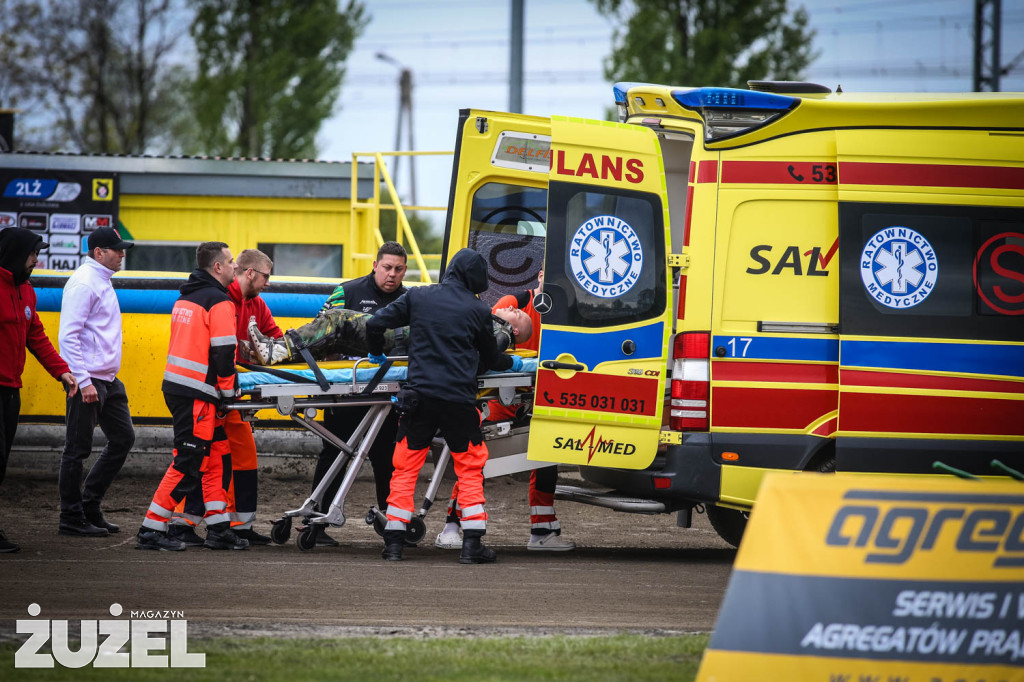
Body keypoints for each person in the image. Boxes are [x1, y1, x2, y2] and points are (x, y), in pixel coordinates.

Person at [367, 248, 523, 563]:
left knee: (406, 467)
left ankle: (394, 543)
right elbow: (491, 358)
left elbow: (374, 324)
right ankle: (472, 544)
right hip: (458, 401)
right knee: (469, 467)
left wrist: (376, 354)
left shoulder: (418, 297)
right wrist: (513, 360)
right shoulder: (478, 310)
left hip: (419, 397)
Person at [435, 271, 576, 552]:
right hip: (500, 398)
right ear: (540, 274)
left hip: (538, 397)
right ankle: (452, 524)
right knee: (477, 461)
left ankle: (542, 530)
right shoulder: (516, 303)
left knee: (547, 458)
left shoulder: (567, 313)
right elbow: (490, 333)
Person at [136, 242, 248, 551]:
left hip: (181, 390)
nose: (235, 266)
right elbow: (224, 355)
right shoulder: (220, 303)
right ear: (218, 267)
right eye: (230, 261)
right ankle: (151, 528)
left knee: (213, 459)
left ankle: (218, 527)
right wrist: (228, 394)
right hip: (198, 396)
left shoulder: (186, 298)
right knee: (188, 462)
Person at [167, 248, 283, 547]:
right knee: (202, 458)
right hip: (211, 393)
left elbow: (275, 339)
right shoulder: (220, 300)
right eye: (266, 277)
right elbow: (218, 351)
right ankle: (182, 523)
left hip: (229, 394)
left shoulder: (255, 304)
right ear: (250, 273)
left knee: (243, 455)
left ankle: (238, 525)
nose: (268, 283)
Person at [296, 241, 409, 547]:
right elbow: (320, 333)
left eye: (398, 269)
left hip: (387, 396)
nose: (392, 274)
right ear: (375, 265)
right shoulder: (347, 292)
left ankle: (393, 524)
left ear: (405, 271)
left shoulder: (409, 300)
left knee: (387, 459)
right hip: (346, 393)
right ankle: (316, 523)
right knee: (334, 454)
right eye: (387, 267)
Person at [0, 228, 79, 553]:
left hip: (10, 391)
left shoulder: (26, 292)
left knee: (1, 461)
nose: (36, 260)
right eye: (33, 254)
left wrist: (62, 372)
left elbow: (37, 338)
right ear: (18, 254)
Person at [56, 226, 136, 538]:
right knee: (76, 449)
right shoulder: (84, 283)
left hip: (107, 380)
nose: (122, 254)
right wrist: (83, 380)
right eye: (117, 249)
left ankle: (88, 505)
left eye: (122, 248)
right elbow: (68, 337)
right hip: (89, 380)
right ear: (98, 252)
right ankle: (71, 516)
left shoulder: (99, 280)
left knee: (123, 438)